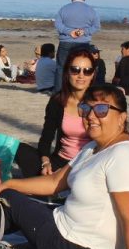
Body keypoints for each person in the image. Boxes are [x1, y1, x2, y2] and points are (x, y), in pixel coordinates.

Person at [0, 84, 129, 249]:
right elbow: (55, 182)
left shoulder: (123, 157)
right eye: (86, 109)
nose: (91, 116)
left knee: (10, 200)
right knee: (15, 196)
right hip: (72, 230)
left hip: (80, 247)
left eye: (102, 109)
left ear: (122, 118)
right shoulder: (93, 147)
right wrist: (11, 183)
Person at [15, 48, 97, 178]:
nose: (81, 75)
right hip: (61, 161)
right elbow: (46, 138)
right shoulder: (57, 101)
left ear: (93, 74)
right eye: (75, 69)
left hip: (92, 164)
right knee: (19, 149)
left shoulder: (101, 102)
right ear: (67, 72)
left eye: (87, 71)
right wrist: (46, 163)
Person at [53, 0, 100, 93]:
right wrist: (84, 31)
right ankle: (81, 90)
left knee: (62, 67)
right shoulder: (92, 10)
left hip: (66, 41)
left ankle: (58, 92)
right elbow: (96, 26)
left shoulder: (64, 8)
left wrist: (69, 31)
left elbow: (57, 24)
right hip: (83, 42)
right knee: (82, 67)